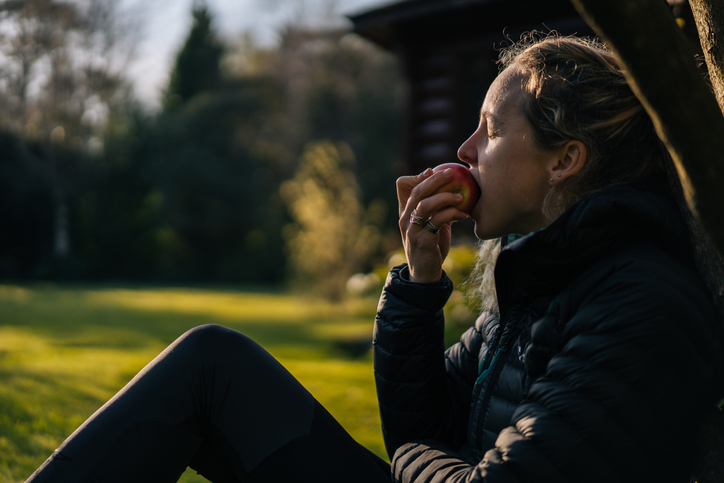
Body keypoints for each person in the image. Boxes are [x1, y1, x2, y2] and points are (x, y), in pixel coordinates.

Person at [27, 33, 724, 483]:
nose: (464, 152)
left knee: (213, 366)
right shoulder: (541, 276)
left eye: (489, 129)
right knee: (215, 365)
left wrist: (416, 463)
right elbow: (419, 428)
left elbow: (422, 454)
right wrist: (420, 285)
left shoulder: (641, 301)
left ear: (565, 159)